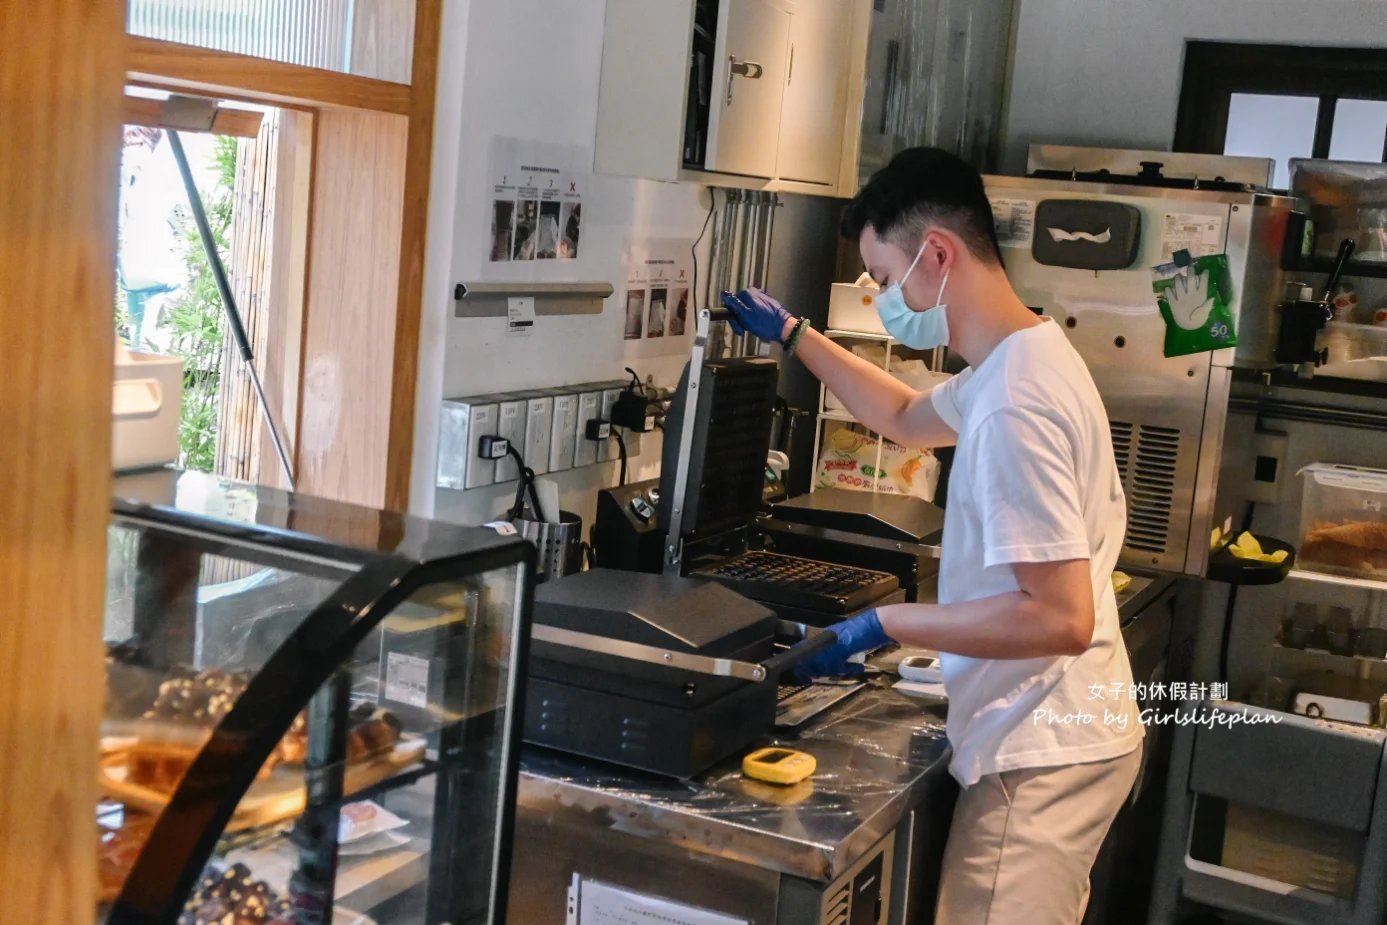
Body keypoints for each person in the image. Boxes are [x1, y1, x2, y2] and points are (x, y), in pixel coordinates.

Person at [722, 147, 1143, 925]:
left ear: (939, 254)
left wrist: (881, 623)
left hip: (1042, 748)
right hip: (1063, 727)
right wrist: (794, 334)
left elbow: (1058, 617)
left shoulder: (1019, 401)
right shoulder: (1020, 357)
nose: (885, 299)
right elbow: (905, 419)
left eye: (885, 279)